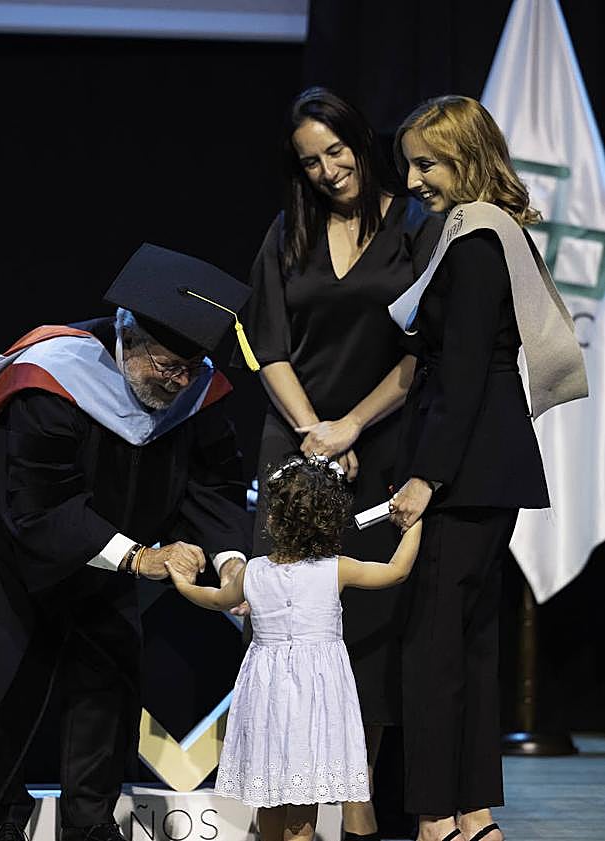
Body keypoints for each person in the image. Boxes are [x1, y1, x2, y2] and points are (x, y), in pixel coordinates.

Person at [0, 243, 256, 841]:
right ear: (128, 331)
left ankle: (90, 823)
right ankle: (3, 812)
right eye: (165, 366)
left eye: (187, 369)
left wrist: (231, 563)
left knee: (109, 666)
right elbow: (39, 506)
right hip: (3, 536)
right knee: (4, 670)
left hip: (104, 542)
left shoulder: (195, 391)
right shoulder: (53, 379)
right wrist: (138, 554)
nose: (176, 383)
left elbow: (215, 482)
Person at [237, 85, 443, 840]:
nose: (327, 169)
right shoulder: (287, 229)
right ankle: (284, 819)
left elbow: (423, 350)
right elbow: (266, 343)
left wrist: (351, 425)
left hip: (383, 441)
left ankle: (358, 814)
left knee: (370, 633)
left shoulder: (414, 225)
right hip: (295, 447)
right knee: (291, 635)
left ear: (360, 139)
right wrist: (315, 434)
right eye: (310, 160)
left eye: (336, 150)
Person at [387, 95, 588, 841]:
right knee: (469, 642)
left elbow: (466, 367)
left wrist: (423, 475)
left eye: (425, 163)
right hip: (487, 463)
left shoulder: (473, 239)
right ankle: (471, 814)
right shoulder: (489, 233)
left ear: (466, 159)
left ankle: (439, 816)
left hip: (462, 466)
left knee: (435, 645)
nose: (411, 180)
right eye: (409, 162)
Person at [168, 454, 422, 841]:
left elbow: (216, 597)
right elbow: (396, 571)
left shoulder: (254, 571)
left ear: (273, 518)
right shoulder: (336, 568)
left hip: (267, 698)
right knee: (301, 811)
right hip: (315, 700)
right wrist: (415, 523)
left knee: (270, 800)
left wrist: (184, 585)